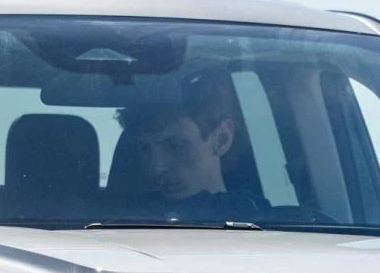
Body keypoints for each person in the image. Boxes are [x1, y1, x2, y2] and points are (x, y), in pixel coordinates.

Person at [115, 70, 268, 222]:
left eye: (175, 146)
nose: (156, 167)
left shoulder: (264, 222)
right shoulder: (120, 219)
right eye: (144, 148)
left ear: (222, 139)